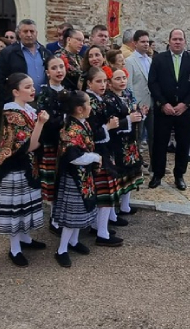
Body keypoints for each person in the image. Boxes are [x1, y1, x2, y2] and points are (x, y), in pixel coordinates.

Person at [0, 73, 50, 267]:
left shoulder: (27, 110)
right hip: (14, 166)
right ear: (15, 91)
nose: (32, 90)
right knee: (16, 206)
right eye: (27, 87)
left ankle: (25, 238)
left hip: (27, 165)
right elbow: (29, 146)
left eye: (33, 86)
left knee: (26, 202)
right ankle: (14, 248)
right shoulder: (13, 114)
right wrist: (40, 123)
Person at [147, 29, 190, 191]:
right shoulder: (158, 59)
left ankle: (179, 175)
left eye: (180, 39)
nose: (177, 42)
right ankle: (157, 174)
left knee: (183, 143)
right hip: (164, 109)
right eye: (174, 39)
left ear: (185, 41)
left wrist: (185, 104)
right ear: (169, 41)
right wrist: (163, 103)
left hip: (184, 110)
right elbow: (153, 83)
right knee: (160, 143)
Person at [52, 89, 100, 268]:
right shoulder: (71, 129)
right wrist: (95, 157)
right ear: (80, 109)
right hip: (73, 176)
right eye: (88, 103)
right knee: (72, 216)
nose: (91, 106)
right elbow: (73, 157)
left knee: (79, 212)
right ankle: (61, 249)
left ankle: (73, 242)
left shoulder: (82, 124)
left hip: (83, 175)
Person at [85, 66, 124, 246]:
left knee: (104, 191)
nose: (103, 85)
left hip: (104, 150)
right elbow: (90, 131)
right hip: (98, 151)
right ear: (89, 83)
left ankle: (98, 226)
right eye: (98, 81)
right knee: (105, 192)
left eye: (104, 81)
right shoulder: (90, 102)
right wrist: (108, 127)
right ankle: (102, 233)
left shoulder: (98, 100)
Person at [108, 67, 145, 215]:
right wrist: (128, 119)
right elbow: (111, 121)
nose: (122, 81)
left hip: (130, 140)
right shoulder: (109, 99)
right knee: (120, 173)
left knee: (131, 171)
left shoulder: (128, 94)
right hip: (117, 141)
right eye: (118, 78)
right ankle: (114, 209)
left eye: (123, 77)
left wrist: (140, 113)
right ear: (110, 82)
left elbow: (135, 109)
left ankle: (125, 205)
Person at [36, 57, 69, 213]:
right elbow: (45, 119)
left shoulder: (68, 91)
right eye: (54, 68)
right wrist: (63, 119)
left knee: (63, 176)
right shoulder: (44, 93)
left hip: (66, 142)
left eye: (61, 67)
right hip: (50, 141)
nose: (59, 71)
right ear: (48, 72)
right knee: (52, 177)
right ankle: (53, 214)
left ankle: (61, 209)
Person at [0, 19, 48, 95]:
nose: (29, 34)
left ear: (36, 33)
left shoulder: (45, 52)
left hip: (42, 99)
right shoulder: (8, 53)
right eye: (25, 31)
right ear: (19, 34)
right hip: (19, 100)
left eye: (32, 31)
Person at [124, 29, 154, 149]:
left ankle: (154, 165)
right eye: (142, 42)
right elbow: (129, 85)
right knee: (137, 136)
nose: (146, 44)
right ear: (135, 43)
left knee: (153, 135)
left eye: (147, 41)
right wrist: (134, 104)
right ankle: (136, 164)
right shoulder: (129, 61)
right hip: (138, 105)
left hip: (151, 102)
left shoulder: (150, 60)